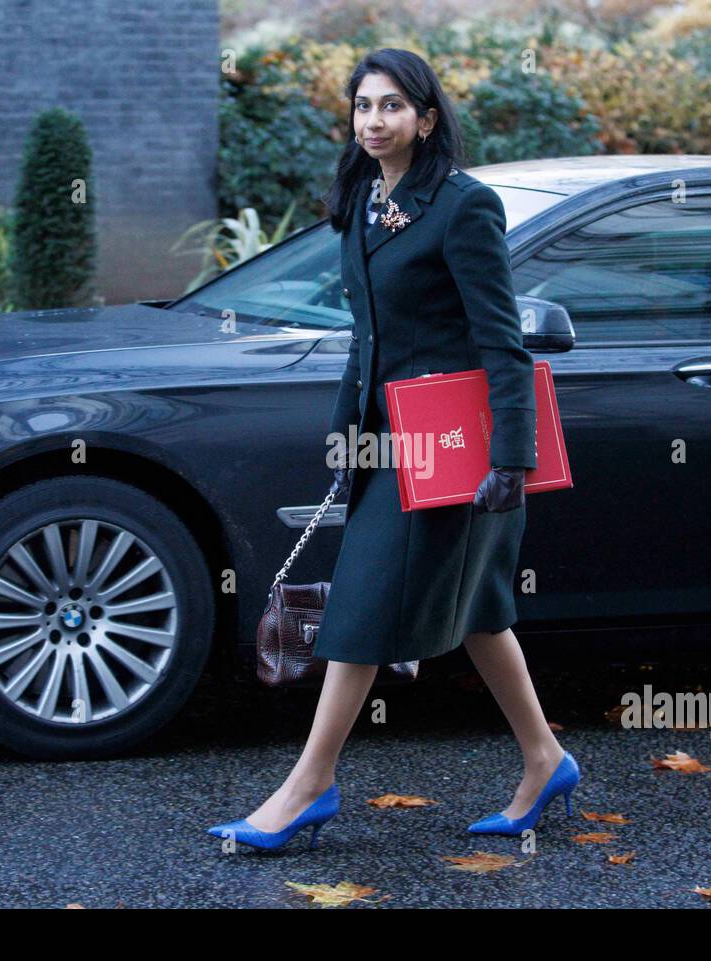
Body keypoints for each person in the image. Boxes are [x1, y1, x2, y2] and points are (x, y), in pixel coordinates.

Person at [206, 47, 578, 851]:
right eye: (363, 106)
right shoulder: (363, 203)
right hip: (386, 445)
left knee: (361, 606)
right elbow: (364, 339)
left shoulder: (463, 206)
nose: (374, 121)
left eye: (392, 107)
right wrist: (348, 438)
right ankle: (544, 757)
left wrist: (510, 459)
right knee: (481, 612)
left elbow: (502, 342)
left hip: (457, 452)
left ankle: (309, 783)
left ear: (427, 118)